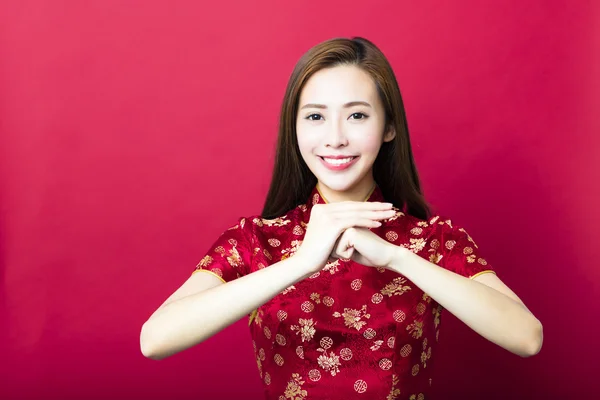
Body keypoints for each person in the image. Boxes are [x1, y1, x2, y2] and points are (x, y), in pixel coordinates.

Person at [140, 37, 543, 399]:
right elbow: (155, 340)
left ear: (389, 127)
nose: (335, 138)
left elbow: (527, 337)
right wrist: (301, 262)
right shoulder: (255, 241)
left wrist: (396, 257)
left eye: (357, 116)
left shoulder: (431, 241)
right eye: (315, 117)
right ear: (294, 129)